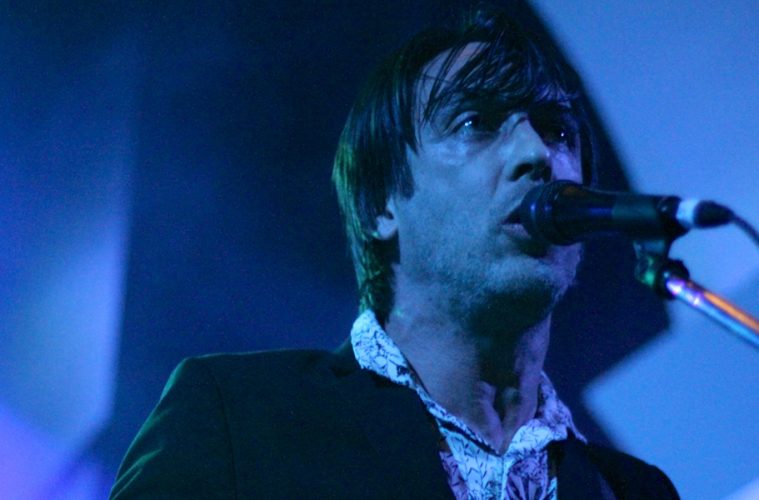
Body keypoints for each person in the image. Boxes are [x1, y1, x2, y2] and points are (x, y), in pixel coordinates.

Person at [111, 8, 679, 499]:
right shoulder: (238, 418)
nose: (537, 154)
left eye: (557, 131)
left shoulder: (635, 491)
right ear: (380, 204)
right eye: (475, 122)